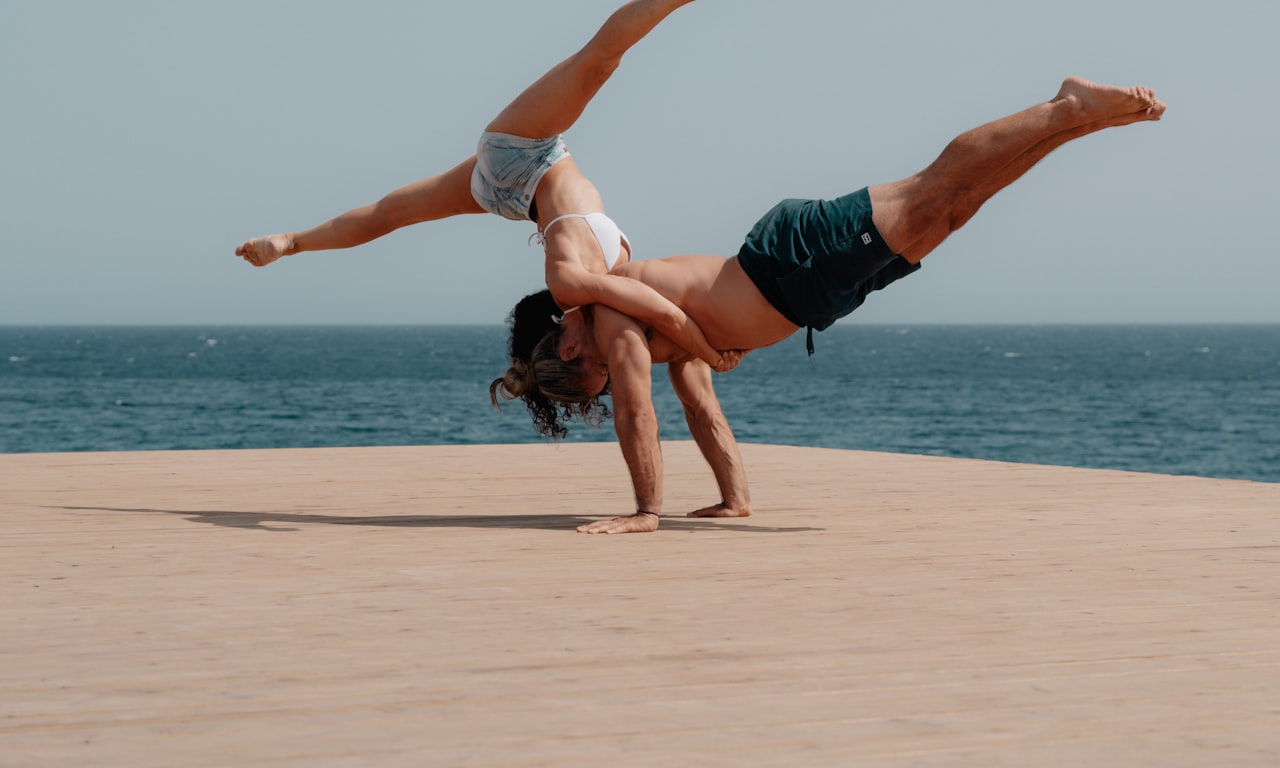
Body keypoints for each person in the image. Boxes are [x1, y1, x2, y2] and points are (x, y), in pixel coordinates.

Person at [492, 77, 1166, 533]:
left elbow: (641, 409)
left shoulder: (613, 320)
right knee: (955, 210)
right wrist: (735, 499)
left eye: (595, 377)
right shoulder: (665, 342)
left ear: (571, 346)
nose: (614, 375)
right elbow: (699, 406)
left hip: (788, 262)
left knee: (932, 193)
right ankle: (1070, 124)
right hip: (810, 294)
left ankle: (1065, 108)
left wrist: (646, 511)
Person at [235, 0, 736, 408]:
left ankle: (294, 241)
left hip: (522, 156)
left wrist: (708, 352)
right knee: (391, 215)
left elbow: (669, 315)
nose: (616, 366)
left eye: (600, 368)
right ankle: (292, 241)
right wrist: (713, 348)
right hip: (513, 196)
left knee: (598, 61)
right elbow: (669, 317)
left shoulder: (581, 290)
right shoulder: (599, 300)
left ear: (570, 347)